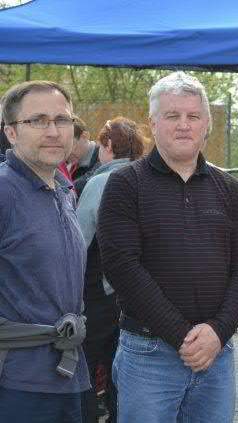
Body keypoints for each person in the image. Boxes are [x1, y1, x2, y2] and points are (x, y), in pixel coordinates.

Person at [97, 71, 238, 423]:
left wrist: (218, 332)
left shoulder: (230, 190)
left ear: (206, 125)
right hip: (149, 353)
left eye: (193, 116)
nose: (184, 125)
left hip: (216, 354)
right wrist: (183, 337)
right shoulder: (125, 184)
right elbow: (122, 266)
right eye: (173, 115)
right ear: (153, 123)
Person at [0, 81, 89, 422]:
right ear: (11, 132)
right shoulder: (4, 191)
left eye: (62, 120)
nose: (53, 131)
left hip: (68, 374)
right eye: (38, 120)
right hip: (16, 381)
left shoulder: (64, 190)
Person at [77, 117, 146, 423]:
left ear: (107, 145)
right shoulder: (149, 179)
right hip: (139, 292)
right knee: (125, 367)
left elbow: (79, 240)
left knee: (88, 366)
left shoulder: (99, 182)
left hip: (100, 292)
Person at [67, 117, 99, 194]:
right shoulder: (66, 164)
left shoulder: (103, 158)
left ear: (85, 136)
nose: (67, 152)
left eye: (71, 145)